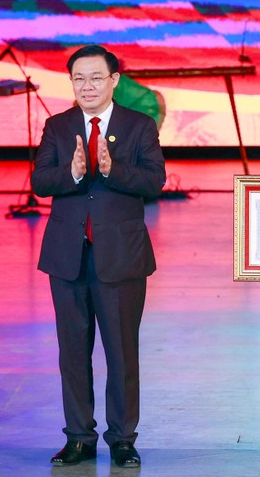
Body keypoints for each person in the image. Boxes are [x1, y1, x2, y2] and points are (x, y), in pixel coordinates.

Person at [31, 45, 165, 468]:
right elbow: (39, 180)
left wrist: (112, 171)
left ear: (114, 81)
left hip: (120, 257)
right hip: (68, 257)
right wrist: (71, 173)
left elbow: (155, 181)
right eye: (78, 79)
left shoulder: (139, 125)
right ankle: (79, 438)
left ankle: (122, 438)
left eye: (95, 78)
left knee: (122, 352)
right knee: (72, 352)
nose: (86, 86)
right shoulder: (58, 125)